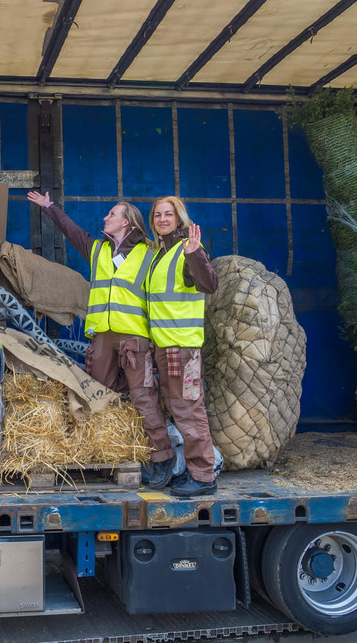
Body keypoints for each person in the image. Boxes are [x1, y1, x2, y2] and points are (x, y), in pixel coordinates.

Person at [26, 191, 177, 489]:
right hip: (103, 337)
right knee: (98, 394)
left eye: (111, 214)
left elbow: (164, 293)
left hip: (135, 337)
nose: (105, 218)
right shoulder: (97, 250)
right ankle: (108, 451)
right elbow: (72, 232)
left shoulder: (150, 254)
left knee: (143, 396)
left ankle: (163, 458)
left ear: (128, 222)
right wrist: (49, 207)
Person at [146, 196, 219, 497]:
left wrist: (195, 255)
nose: (163, 219)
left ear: (179, 219)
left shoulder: (186, 250)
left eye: (169, 214)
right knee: (181, 408)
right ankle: (196, 471)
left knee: (189, 409)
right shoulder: (160, 253)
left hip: (183, 348)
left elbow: (209, 284)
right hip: (167, 348)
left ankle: (203, 476)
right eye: (158, 215)